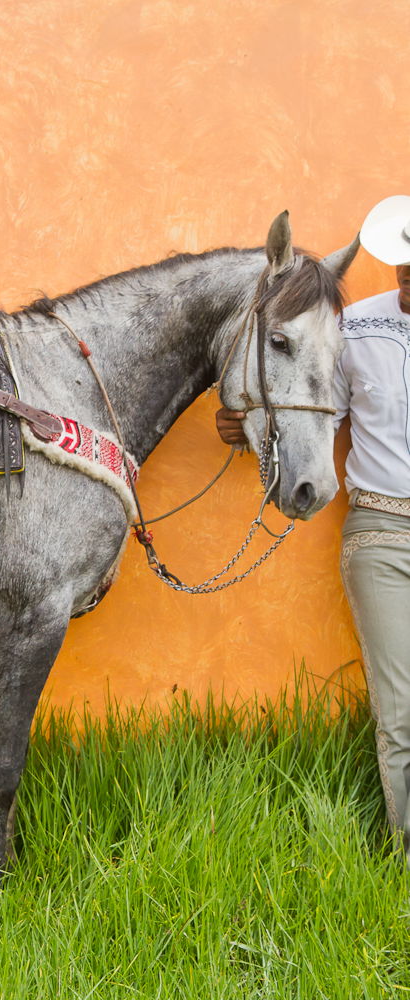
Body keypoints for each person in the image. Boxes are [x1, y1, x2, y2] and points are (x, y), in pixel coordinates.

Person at [217, 195, 410, 863]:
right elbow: (314, 409)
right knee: (402, 712)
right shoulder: (355, 329)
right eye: (404, 268)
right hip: (384, 532)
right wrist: (246, 424)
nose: (408, 279)